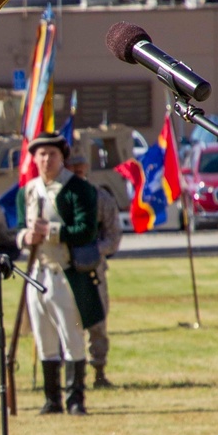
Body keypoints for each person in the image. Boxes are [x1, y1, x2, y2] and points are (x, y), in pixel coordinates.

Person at [17, 134, 104, 416]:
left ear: (61, 157)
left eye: (51, 154)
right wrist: (25, 236)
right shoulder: (28, 190)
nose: (46, 160)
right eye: (41, 154)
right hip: (36, 274)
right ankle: (51, 398)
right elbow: (18, 227)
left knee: (72, 336)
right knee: (44, 338)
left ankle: (75, 397)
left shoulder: (77, 189)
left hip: (64, 274)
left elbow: (87, 230)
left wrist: (52, 233)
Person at [69, 145, 122, 388]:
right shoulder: (57, 198)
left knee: (97, 323)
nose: (78, 174)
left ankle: (99, 371)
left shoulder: (100, 198)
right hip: (63, 270)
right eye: (72, 170)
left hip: (93, 269)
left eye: (81, 170)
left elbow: (113, 237)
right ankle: (69, 377)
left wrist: (95, 250)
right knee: (66, 324)